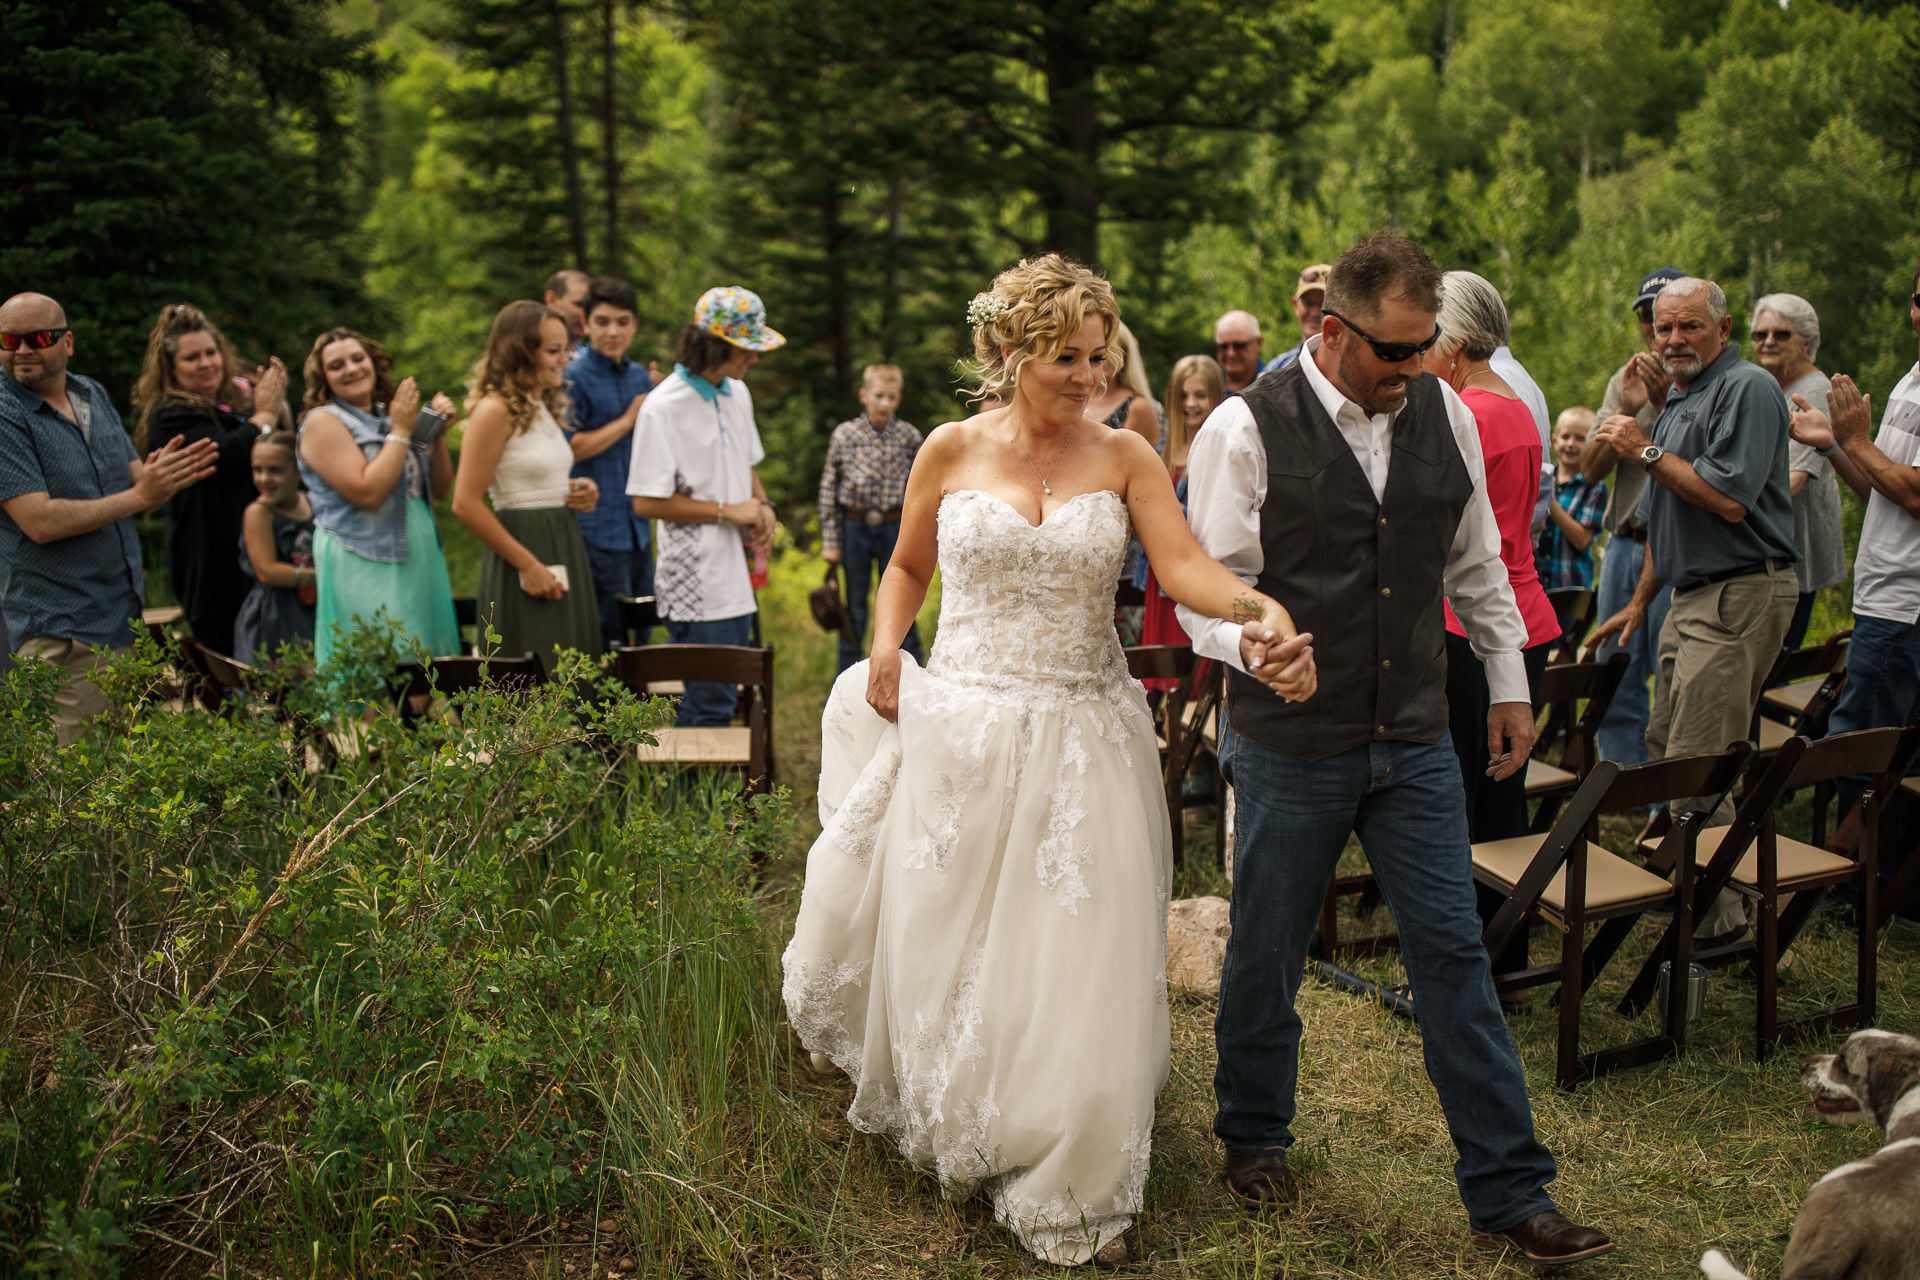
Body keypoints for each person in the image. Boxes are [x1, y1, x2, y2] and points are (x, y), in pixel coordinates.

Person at [783, 253, 1312, 1267]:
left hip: (1083, 727)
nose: (1087, 375)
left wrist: (1262, 614)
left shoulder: (1125, 455)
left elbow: (1190, 567)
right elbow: (904, 563)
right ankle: (970, 1101)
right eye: (1065, 356)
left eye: (1098, 356)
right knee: (962, 932)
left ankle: (1071, 1171)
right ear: (1010, 350)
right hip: (968, 720)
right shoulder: (947, 448)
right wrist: (888, 642)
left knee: (1072, 944)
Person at [1179, 233, 1612, 1266]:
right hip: (1290, 739)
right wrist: (1250, 637)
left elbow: (1478, 567)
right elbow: (1207, 584)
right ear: (1333, 332)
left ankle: (1512, 1189)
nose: (1416, 370)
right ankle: (1252, 1134)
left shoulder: (1449, 414)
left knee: (1455, 952)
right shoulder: (1244, 426)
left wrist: (1508, 687)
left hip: (1416, 732)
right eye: (1397, 353)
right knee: (1269, 950)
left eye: (1427, 351)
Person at [1590, 277, 1799, 945]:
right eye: (1663, 327)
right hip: (1687, 596)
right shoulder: (1681, 394)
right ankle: (1700, 886)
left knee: (1699, 760)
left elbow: (1729, 501)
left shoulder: (1748, 389)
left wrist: (1644, 448)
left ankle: (1718, 921)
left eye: (1689, 327)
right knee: (1665, 747)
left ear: (1724, 328)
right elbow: (1664, 516)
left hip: (1740, 590)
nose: (1673, 339)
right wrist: (1640, 601)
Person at [0, 292, 218, 742]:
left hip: (122, 621)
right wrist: (142, 494)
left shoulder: (90, 393)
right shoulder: (5, 412)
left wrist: (166, 478)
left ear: (67, 343)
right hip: (62, 632)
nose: (22, 350)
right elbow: (39, 521)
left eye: (38, 338)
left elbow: (138, 486)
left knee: (123, 783)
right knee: (75, 792)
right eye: (9, 339)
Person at [1786, 260, 1920, 925]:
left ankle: (1860, 891)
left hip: (1905, 605)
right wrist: (1839, 447)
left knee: (1861, 747)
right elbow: (1881, 490)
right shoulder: (1910, 382)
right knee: (1882, 747)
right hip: (1885, 595)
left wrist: (1856, 439)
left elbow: (1917, 494)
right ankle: (1888, 887)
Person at [1424, 272, 1563, 846]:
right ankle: (1507, 929)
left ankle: (1472, 927)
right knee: (1504, 786)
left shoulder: (1468, 414)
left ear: (1453, 344)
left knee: (1462, 786)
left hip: (1473, 618)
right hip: (1526, 608)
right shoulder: (1516, 405)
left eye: (1426, 339)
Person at [626, 287, 781, 726]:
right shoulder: (662, 408)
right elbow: (645, 500)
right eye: (744, 349)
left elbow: (746, 464)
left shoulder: (738, 393)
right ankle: (688, 794)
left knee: (730, 696)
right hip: (695, 581)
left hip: (738, 573)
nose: (753, 359)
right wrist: (728, 512)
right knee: (708, 703)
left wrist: (763, 504)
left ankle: (719, 793)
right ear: (712, 346)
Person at [296, 326, 460, 670]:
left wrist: (438, 435)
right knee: (376, 661)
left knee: (422, 661)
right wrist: (402, 431)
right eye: (337, 365)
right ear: (324, 377)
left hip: (419, 548)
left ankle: (417, 723)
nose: (352, 369)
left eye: (358, 358)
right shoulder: (322, 422)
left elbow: (440, 490)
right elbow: (368, 493)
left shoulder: (387, 417)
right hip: (362, 556)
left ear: (374, 363)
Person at [131, 303, 291, 655]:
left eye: (210, 352)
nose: (205, 363)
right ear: (171, 369)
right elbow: (226, 453)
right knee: (230, 659)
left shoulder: (230, 406)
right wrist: (264, 414)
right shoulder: (170, 415)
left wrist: (277, 410)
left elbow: (276, 454)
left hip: (259, 553)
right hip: (212, 562)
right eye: (191, 358)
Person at [453, 301, 602, 669]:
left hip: (563, 542)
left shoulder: (541, 404)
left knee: (571, 667)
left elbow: (530, 476)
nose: (566, 358)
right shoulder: (493, 410)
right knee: (533, 674)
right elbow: (465, 502)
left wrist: (578, 490)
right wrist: (529, 566)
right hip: (524, 551)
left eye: (566, 348)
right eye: (553, 350)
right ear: (520, 353)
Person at [1581, 265, 1687, 764]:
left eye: (1665, 316)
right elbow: (1588, 470)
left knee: (1672, 670)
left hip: (1677, 546)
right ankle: (1619, 777)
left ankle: (1660, 788)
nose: (1655, 329)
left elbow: (1696, 464)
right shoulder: (1623, 380)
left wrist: (1667, 404)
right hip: (1625, 543)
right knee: (1616, 664)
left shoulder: (1703, 381)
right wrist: (1624, 409)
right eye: (1647, 317)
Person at [564, 275, 659, 651]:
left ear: (634, 325)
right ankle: (599, 710)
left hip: (638, 524)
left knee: (645, 628)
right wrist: (627, 420)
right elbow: (569, 448)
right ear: (586, 324)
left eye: (622, 322)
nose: (612, 331)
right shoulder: (573, 376)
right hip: (597, 526)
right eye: (602, 322)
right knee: (608, 632)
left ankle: (639, 710)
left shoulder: (638, 376)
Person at [1751, 293, 1845, 650]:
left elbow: (1795, 480)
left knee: (1775, 660)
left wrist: (1726, 504)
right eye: (1760, 335)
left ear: (1807, 342)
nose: (1768, 342)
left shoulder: (1813, 391)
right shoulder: (1770, 385)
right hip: (1769, 543)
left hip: (1796, 549)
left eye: (1781, 334)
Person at [817, 363, 924, 674]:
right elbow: (829, 488)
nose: (885, 404)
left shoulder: (909, 437)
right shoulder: (845, 435)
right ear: (864, 396)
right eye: (879, 396)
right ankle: (847, 679)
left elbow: (920, 491)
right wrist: (831, 542)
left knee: (901, 601)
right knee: (855, 608)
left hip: (895, 528)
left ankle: (913, 677)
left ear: (898, 399)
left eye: (891, 398)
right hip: (855, 528)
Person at [1134, 353, 1224, 689]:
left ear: (1216, 397)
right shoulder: (1163, 451)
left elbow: (1211, 519)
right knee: (1160, 668)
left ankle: (1191, 729)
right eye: (1184, 396)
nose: (1191, 404)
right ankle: (1167, 726)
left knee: (1190, 668)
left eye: (1200, 395)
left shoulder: (1216, 450)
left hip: (1192, 568)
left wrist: (1167, 512)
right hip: (1159, 572)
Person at [233, 431, 316, 664]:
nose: (264, 478)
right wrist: (322, 577)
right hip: (275, 615)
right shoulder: (259, 513)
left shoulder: (312, 503)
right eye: (257, 470)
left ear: (299, 470)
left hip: (312, 609)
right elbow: (267, 571)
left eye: (275, 470)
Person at [1535, 407, 1607, 594]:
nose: (1570, 444)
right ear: (1554, 440)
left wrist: (1549, 499)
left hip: (1571, 587)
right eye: (1565, 436)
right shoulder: (1544, 478)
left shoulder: (1594, 486)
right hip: (1539, 583)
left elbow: (1582, 540)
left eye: (1580, 438)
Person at [1086, 320, 1160, 445]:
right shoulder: (1075, 398)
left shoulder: (1136, 407)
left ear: (1125, 358)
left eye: (1112, 351)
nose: (1104, 359)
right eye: (1097, 352)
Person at [1261, 264, 1330, 374]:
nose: (1315, 312)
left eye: (1323, 304)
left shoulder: (1349, 368)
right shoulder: (1276, 367)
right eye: (1309, 304)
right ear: (1295, 305)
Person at [1213, 309, 1264, 394]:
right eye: (1223, 346)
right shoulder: (1206, 386)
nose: (1231, 353)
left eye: (1239, 346)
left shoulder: (1274, 384)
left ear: (1258, 342)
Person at [543, 268, 591, 347]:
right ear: (551, 300)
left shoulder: (585, 354)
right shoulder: (532, 355)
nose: (586, 313)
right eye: (579, 304)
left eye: (589, 306)